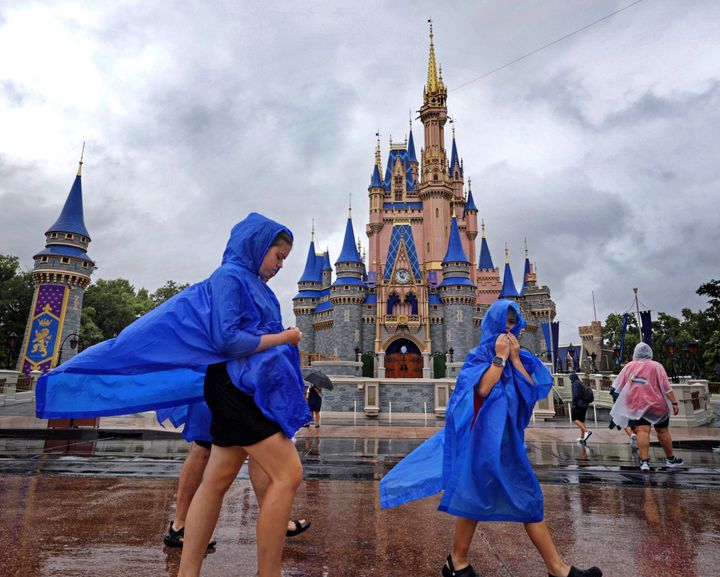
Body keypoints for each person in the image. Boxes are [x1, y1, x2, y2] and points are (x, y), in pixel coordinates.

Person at [37, 213, 311, 577]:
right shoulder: (230, 277)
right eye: (278, 256)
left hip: (243, 388)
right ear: (257, 247)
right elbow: (227, 340)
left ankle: (187, 571)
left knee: (216, 481)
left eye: (284, 260)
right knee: (287, 473)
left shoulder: (251, 282)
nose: (280, 265)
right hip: (236, 390)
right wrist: (286, 338)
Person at [380, 300, 602, 577]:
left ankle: (463, 562)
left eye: (514, 322)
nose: (512, 328)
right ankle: (464, 562)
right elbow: (482, 389)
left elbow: (532, 392)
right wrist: (499, 358)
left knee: (516, 497)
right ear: (493, 323)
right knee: (482, 495)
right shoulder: (479, 355)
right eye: (507, 322)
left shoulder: (521, 357)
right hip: (481, 441)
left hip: (507, 441)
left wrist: (517, 359)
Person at [160, 403, 310, 549]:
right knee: (204, 445)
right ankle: (180, 524)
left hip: (246, 384)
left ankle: (275, 519)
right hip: (229, 384)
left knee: (259, 440)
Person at [609, 342, 684, 472]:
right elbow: (666, 387)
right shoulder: (656, 366)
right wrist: (674, 402)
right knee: (663, 431)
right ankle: (670, 459)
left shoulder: (628, 367)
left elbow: (618, 386)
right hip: (657, 406)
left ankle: (644, 462)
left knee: (642, 431)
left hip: (637, 405)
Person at [570, 372, 592, 444]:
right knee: (582, 420)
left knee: (575, 419)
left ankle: (587, 431)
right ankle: (582, 437)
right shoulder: (581, 383)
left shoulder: (574, 384)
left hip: (578, 405)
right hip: (584, 405)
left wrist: (574, 404)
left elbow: (575, 395)